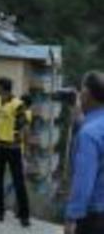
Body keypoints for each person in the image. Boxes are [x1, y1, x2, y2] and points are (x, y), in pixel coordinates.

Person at [0, 77, 31, 227]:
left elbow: (24, 127)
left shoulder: (18, 105)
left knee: (19, 182)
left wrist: (24, 146)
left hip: (12, 149)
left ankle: (24, 216)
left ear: (2, 87)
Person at [65, 71, 104, 234]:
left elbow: (83, 180)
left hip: (94, 218)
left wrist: (72, 217)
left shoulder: (88, 134)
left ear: (86, 94)